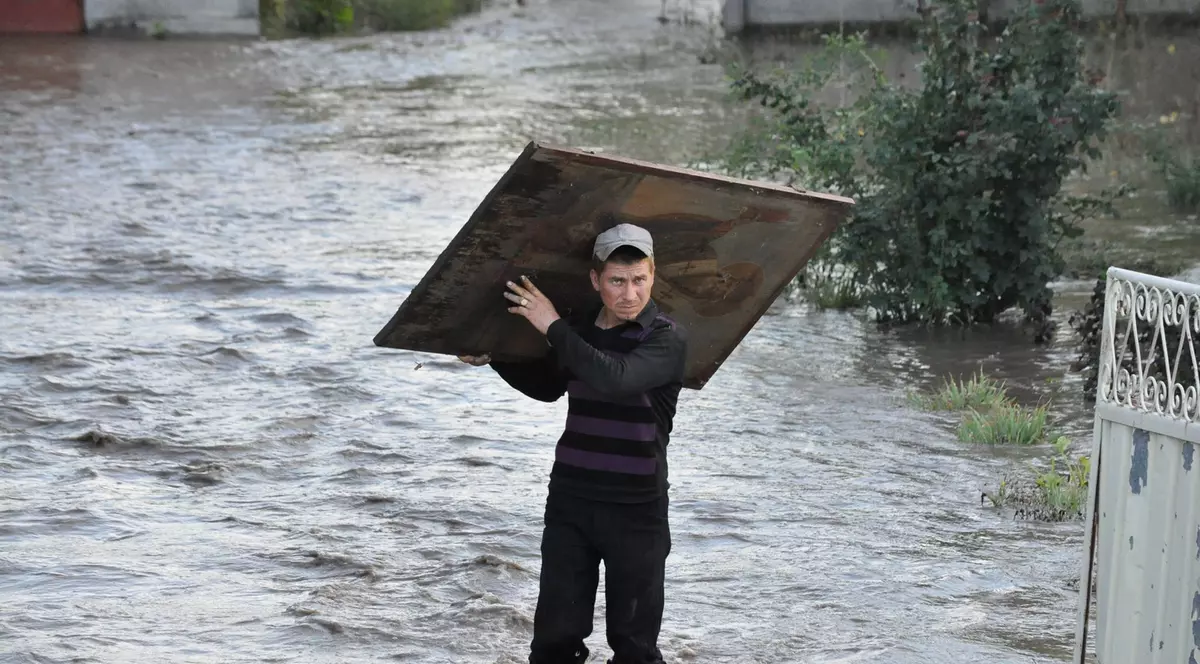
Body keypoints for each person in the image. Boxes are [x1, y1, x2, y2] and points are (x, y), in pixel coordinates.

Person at [459, 223, 688, 664]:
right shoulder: (580, 327)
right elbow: (548, 386)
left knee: (635, 648)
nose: (629, 294)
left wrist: (551, 325)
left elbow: (615, 378)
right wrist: (495, 360)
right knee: (553, 642)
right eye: (617, 281)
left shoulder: (665, 336)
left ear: (653, 276)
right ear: (595, 280)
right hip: (571, 504)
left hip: (637, 511)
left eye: (639, 280)